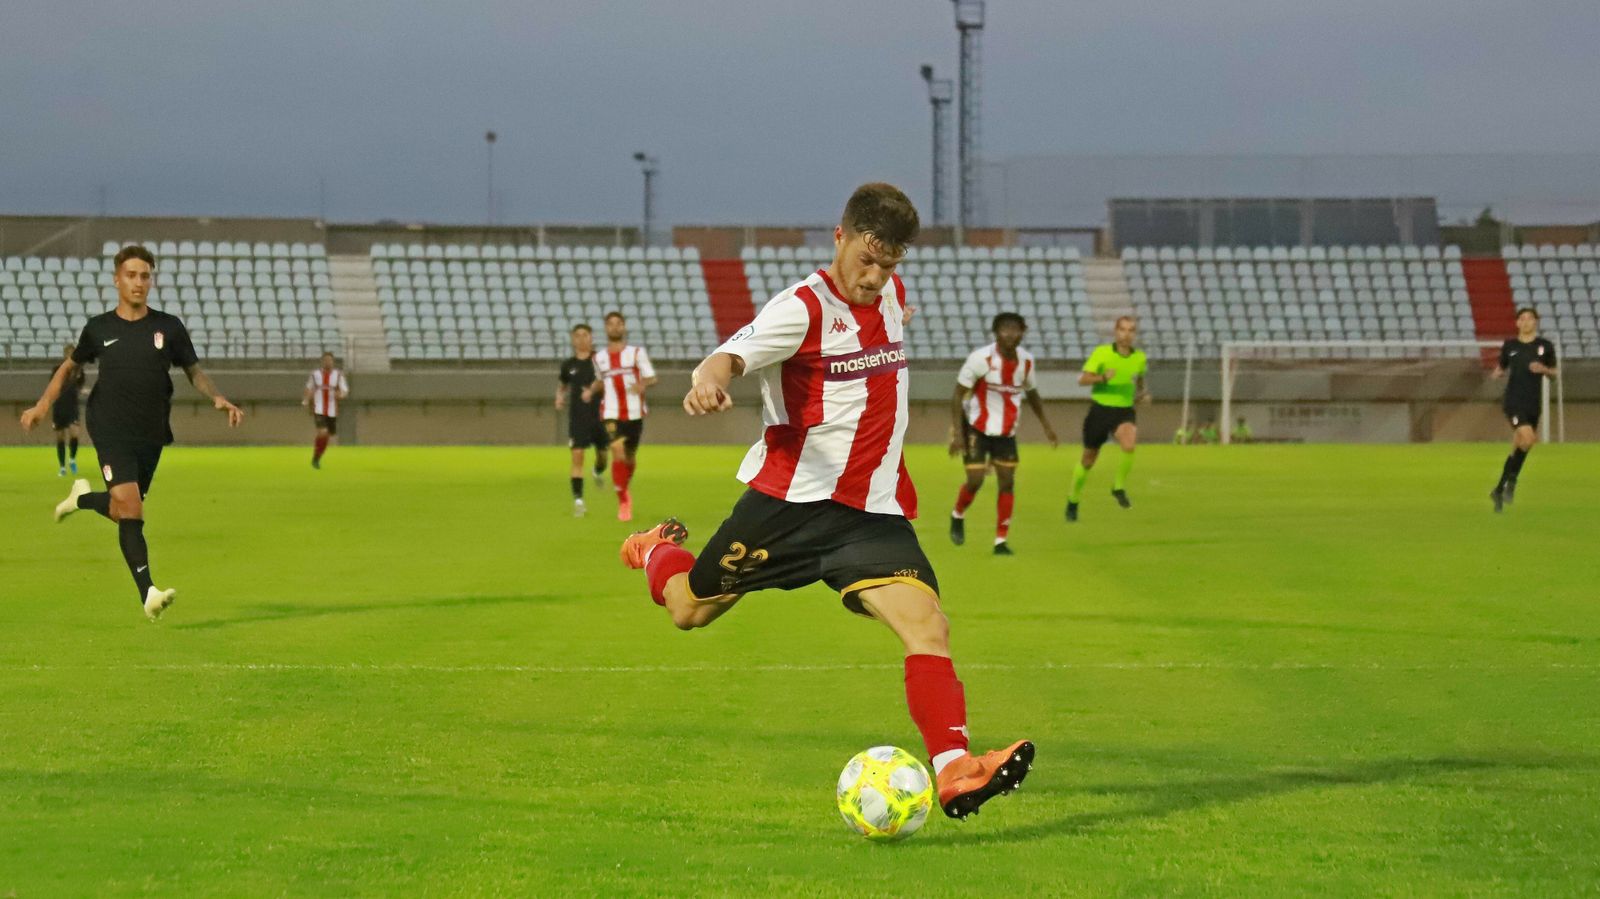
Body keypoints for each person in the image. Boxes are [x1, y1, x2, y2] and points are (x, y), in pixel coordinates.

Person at [617, 183, 1033, 820]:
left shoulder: (891, 293)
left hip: (870, 512)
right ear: (839, 238)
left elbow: (884, 317)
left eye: (888, 264)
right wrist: (707, 383)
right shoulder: (802, 308)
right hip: (788, 507)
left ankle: (954, 770)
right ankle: (655, 550)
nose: (874, 277)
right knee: (688, 611)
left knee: (928, 626)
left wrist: (891, 301)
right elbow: (728, 356)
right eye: (865, 260)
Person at [20, 244, 244, 620]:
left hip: (152, 432)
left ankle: (80, 499)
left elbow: (194, 371)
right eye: (131, 275)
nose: (139, 283)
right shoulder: (99, 328)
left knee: (124, 510)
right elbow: (67, 369)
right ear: (117, 279)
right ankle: (149, 594)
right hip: (109, 427)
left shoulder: (169, 327)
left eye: (145, 276)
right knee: (131, 509)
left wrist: (218, 398)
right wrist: (42, 406)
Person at [947, 312, 1058, 555]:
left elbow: (1033, 394)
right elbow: (957, 395)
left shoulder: (1026, 362)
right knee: (975, 482)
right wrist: (957, 433)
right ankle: (958, 514)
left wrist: (1047, 426)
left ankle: (1001, 541)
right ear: (996, 333)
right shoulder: (981, 359)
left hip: (1007, 434)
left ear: (1022, 332)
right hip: (977, 429)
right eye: (1005, 329)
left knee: (1007, 483)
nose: (1010, 333)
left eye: (1015, 329)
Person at [1066, 316, 1149, 522]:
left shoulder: (1139, 358)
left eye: (1131, 330)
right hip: (1100, 411)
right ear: (1116, 331)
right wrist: (1102, 378)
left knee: (1129, 445)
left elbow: (1139, 380)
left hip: (1124, 411)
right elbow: (1082, 379)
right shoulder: (1102, 353)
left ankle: (1118, 487)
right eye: (1123, 329)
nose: (1126, 334)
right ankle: (1073, 500)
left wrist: (1141, 394)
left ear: (1134, 334)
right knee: (1088, 460)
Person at [1490, 307, 1557, 513]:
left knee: (1520, 446)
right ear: (1517, 323)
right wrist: (1496, 374)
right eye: (1522, 318)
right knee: (1529, 439)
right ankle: (1512, 481)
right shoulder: (1510, 345)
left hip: (1532, 404)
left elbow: (1554, 373)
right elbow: (1501, 367)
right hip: (1513, 401)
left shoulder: (1545, 346)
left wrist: (1544, 370)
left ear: (1536, 322)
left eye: (1530, 318)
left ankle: (1499, 489)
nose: (1526, 321)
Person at [593, 311, 657, 521]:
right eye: (610, 324)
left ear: (623, 327)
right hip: (610, 412)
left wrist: (641, 385)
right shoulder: (599, 358)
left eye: (618, 324)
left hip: (634, 412)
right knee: (617, 449)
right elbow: (600, 382)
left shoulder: (636, 353)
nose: (614, 327)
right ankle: (623, 500)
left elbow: (651, 377)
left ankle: (623, 485)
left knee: (629, 457)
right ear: (606, 328)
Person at [555, 324, 608, 517]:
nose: (581, 339)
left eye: (585, 335)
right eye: (577, 335)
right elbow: (562, 384)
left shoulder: (599, 361)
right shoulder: (568, 365)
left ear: (591, 338)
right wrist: (559, 397)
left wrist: (592, 390)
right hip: (577, 419)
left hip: (600, 417)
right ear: (572, 339)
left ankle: (598, 470)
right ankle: (579, 501)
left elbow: (606, 382)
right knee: (577, 457)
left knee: (603, 455)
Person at [302, 351, 349, 469]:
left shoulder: (338, 375)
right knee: (322, 432)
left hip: (332, 410)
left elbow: (344, 390)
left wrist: (341, 395)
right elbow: (309, 388)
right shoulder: (315, 374)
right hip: (319, 408)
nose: (328, 362)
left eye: (330, 360)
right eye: (326, 360)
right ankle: (315, 458)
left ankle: (317, 457)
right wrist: (306, 400)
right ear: (322, 361)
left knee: (328, 435)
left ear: (333, 362)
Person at [50, 343, 88, 475]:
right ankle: (62, 467)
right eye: (69, 354)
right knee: (60, 437)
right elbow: (52, 387)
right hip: (59, 407)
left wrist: (83, 391)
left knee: (75, 433)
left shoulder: (79, 371)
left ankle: (71, 459)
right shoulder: (57, 370)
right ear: (65, 355)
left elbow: (80, 387)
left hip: (72, 406)